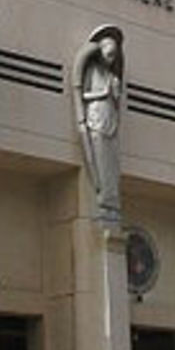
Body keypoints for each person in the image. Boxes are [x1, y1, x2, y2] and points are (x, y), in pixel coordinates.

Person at [72, 25, 124, 220]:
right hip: (95, 118)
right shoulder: (92, 70)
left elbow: (117, 101)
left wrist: (116, 91)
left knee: (111, 163)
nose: (111, 58)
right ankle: (103, 197)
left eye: (114, 55)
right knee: (100, 159)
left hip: (110, 120)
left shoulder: (112, 76)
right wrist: (103, 93)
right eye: (109, 54)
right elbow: (83, 93)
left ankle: (110, 199)